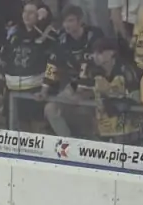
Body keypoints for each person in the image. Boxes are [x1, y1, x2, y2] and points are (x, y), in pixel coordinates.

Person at [41, 7, 101, 136]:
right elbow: (52, 63)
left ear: (80, 21)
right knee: (50, 108)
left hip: (98, 87)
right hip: (73, 87)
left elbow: (90, 63)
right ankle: (68, 143)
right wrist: (44, 89)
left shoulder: (94, 35)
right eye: (64, 21)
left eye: (71, 20)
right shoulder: (62, 39)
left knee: (90, 119)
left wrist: (80, 91)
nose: (66, 25)